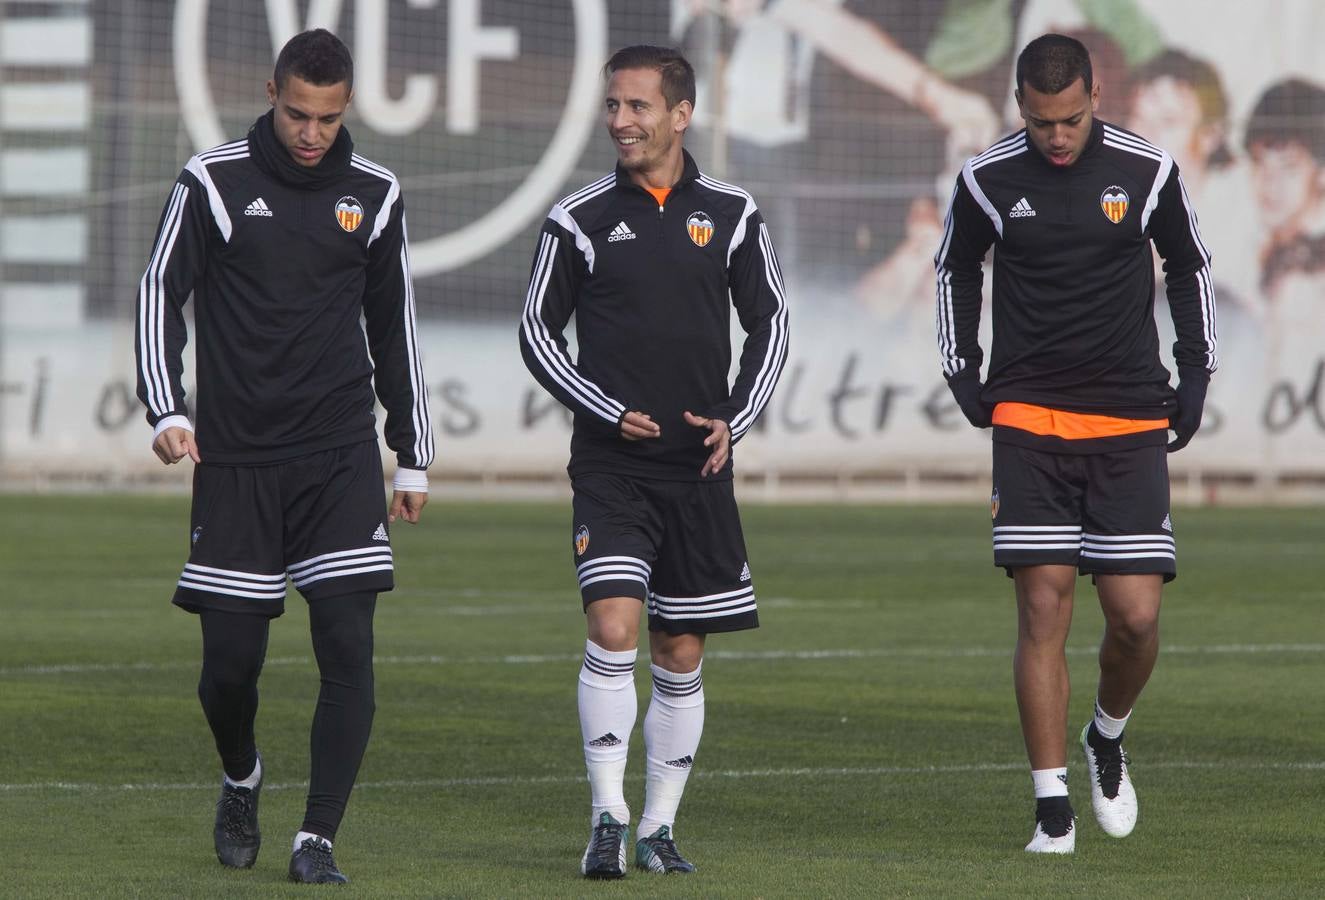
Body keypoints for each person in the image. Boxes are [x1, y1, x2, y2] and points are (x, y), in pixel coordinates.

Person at [133, 28, 433, 884]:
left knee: (347, 645)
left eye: (328, 119)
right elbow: (162, 289)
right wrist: (167, 407)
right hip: (236, 460)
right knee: (228, 670)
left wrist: (411, 452)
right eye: (298, 113)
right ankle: (240, 774)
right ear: (272, 92)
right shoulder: (214, 181)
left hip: (338, 454)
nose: (311, 133)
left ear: (347, 110)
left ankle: (316, 840)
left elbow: (394, 324)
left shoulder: (374, 192)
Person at [934, 34, 1216, 854]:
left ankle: (1105, 735)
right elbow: (954, 268)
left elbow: (1188, 266)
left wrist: (1193, 374)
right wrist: (962, 369)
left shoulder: (1147, 169)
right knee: (1042, 604)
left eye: (1068, 119)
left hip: (1128, 418)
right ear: (1017, 106)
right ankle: (1050, 808)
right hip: (1027, 418)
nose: (1055, 137)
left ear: (1094, 94)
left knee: (1132, 619)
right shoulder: (986, 178)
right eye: (1038, 121)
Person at [518, 45, 789, 878]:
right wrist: (604, 410)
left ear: (680, 113)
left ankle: (659, 829)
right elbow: (536, 331)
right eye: (612, 106)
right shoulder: (579, 218)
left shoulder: (734, 213)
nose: (620, 121)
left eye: (637, 106)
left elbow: (771, 325)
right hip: (611, 469)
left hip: (698, 475)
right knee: (612, 627)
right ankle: (607, 815)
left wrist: (734, 421)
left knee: (679, 652)